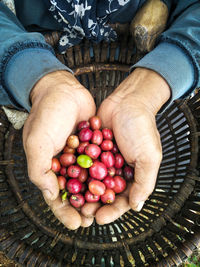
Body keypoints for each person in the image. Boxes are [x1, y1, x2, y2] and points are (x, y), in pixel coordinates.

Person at [0, 0, 200, 229]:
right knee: (36, 154)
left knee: (164, 165)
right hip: (37, 57)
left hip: (149, 58)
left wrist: (161, 77)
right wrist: (30, 73)